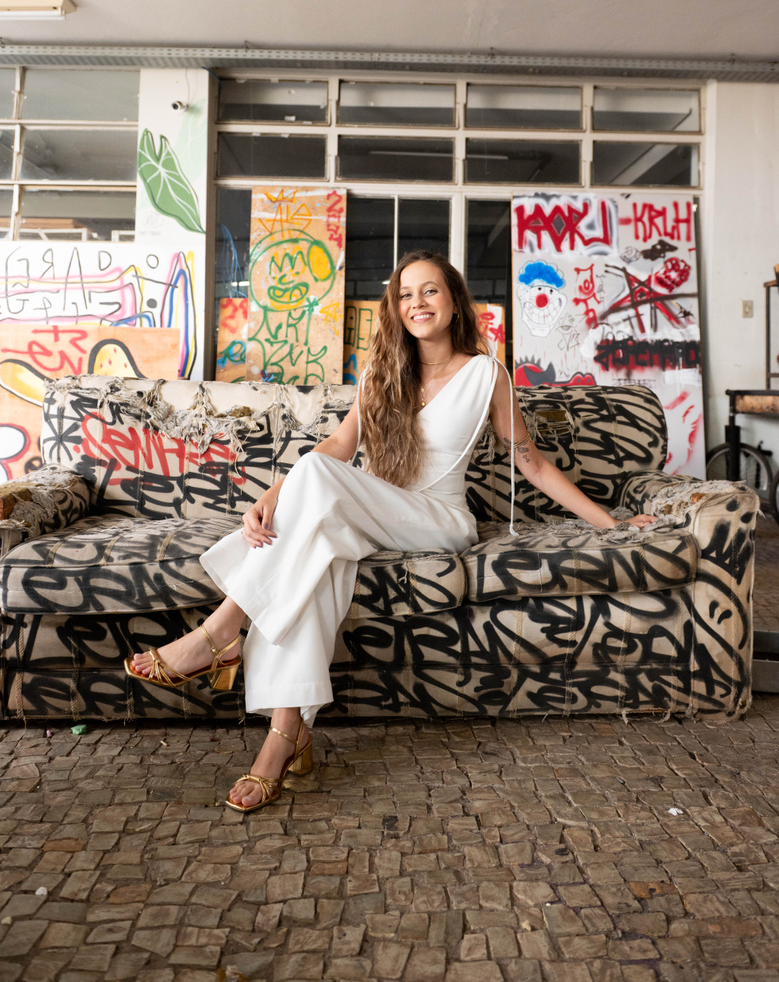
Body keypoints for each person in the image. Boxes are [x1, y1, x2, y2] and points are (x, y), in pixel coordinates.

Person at [126, 250, 655, 813]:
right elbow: (339, 446)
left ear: (454, 303)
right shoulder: (381, 373)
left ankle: (220, 630)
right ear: (395, 308)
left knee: (318, 483)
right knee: (318, 559)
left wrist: (613, 523)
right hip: (371, 513)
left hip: (439, 521)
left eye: (429, 291)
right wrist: (274, 495)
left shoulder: (486, 375)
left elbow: (535, 465)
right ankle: (285, 737)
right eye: (405, 294)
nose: (417, 303)